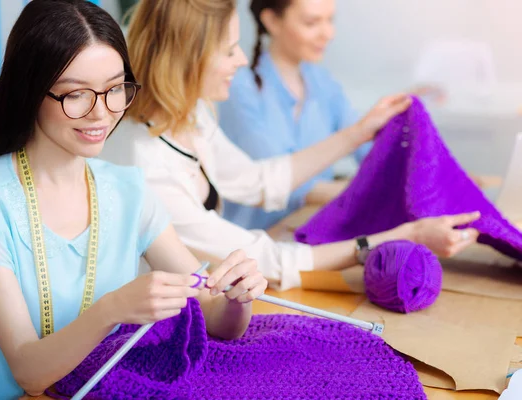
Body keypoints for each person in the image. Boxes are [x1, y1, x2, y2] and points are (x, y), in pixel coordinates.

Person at [0, 1, 266, 398]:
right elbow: (28, 372)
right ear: (28, 91)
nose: (102, 113)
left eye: (115, 89)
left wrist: (238, 297)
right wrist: (113, 309)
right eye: (77, 94)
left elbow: (215, 319)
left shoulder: (128, 190)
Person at [101, 0, 480, 293]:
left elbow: (258, 180)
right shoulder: (145, 165)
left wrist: (361, 131)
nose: (242, 59)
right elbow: (269, 258)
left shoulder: (190, 114)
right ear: (185, 59)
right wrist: (407, 235)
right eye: (229, 49)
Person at [218, 0, 439, 230]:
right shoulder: (238, 88)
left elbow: (370, 150)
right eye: (311, 22)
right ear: (272, 20)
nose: (328, 33)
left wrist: (419, 160)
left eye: (330, 20)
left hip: (305, 229)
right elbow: (279, 183)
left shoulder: (322, 83)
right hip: (251, 241)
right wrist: (385, 191)